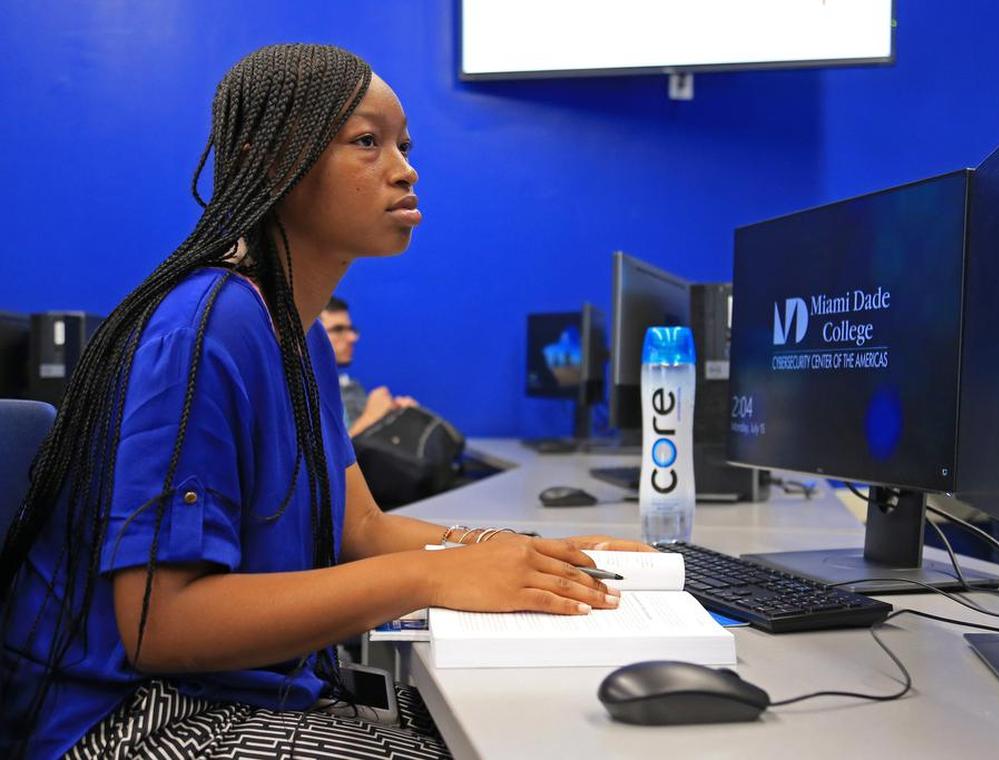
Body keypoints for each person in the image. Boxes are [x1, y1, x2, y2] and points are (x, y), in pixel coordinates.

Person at [0, 44, 650, 759]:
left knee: (539, 726)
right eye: (367, 142)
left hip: (254, 687)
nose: (406, 168)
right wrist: (435, 572)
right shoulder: (206, 328)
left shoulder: (296, 332)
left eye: (404, 144)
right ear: (274, 161)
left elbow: (361, 530)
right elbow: (161, 623)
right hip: (130, 720)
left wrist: (519, 554)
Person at [319, 295, 417, 437]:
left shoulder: (351, 389)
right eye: (338, 329)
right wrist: (370, 418)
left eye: (350, 329)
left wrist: (393, 418)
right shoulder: (293, 395)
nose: (352, 338)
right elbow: (322, 458)